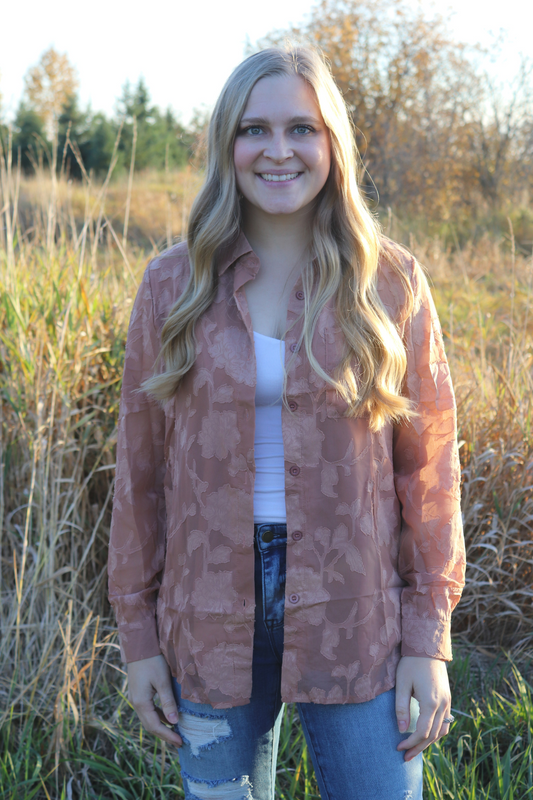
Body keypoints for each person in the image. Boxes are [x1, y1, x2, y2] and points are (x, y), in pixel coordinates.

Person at [108, 44, 466, 800]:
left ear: (332, 143)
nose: (277, 151)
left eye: (301, 129)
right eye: (254, 129)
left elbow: (429, 470)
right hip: (208, 616)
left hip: (355, 615)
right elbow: (138, 473)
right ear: (225, 144)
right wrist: (138, 640)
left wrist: (426, 641)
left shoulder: (389, 282)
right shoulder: (171, 284)